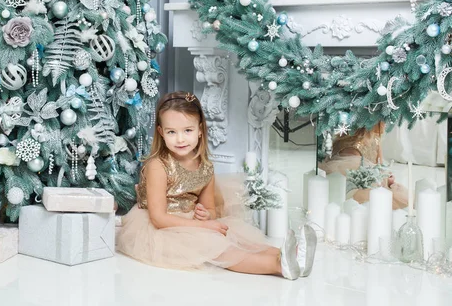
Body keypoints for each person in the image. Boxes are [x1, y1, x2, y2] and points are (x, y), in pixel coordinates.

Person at [117, 91, 317, 280]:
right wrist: (204, 225)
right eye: (171, 132)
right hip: (160, 226)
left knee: (237, 238)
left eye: (187, 130)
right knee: (223, 250)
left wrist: (208, 216)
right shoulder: (158, 166)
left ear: (200, 130)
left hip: (190, 219)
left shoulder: (205, 167)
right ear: (161, 133)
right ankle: (279, 266)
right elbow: (158, 218)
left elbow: (211, 209)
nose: (180, 139)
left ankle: (295, 255)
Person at [319, 122, 408, 209]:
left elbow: (380, 166)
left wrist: (386, 177)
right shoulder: (352, 151)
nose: (388, 123)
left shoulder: (375, 138)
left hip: (370, 188)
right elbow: (346, 190)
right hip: (355, 196)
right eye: (384, 119)